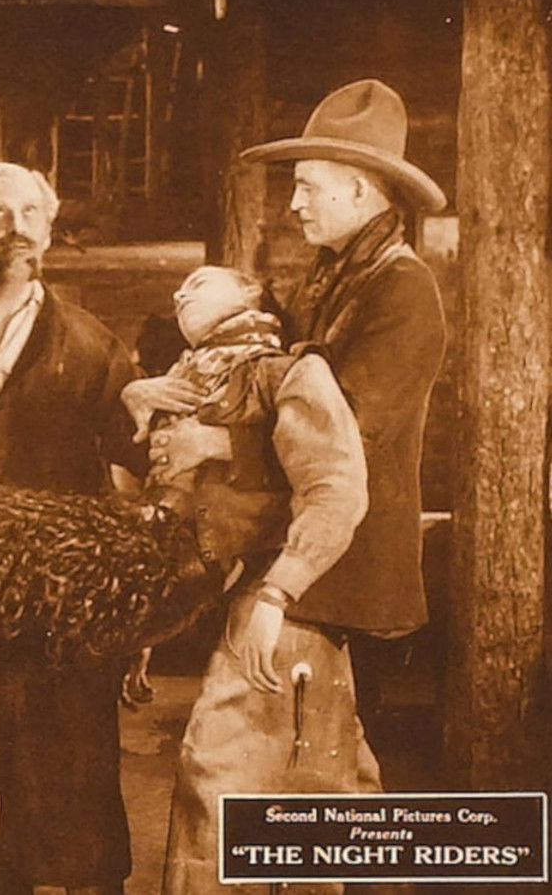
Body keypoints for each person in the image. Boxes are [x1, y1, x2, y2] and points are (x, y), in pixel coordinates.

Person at [123, 78, 447, 893]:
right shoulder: (335, 277)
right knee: (328, 776)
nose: (294, 204)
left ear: (359, 190)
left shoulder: (402, 290)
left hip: (328, 568)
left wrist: (214, 441)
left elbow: (350, 438)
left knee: (222, 768)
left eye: (307, 186)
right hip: (305, 558)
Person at [122, 263, 370, 895]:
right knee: (322, 775)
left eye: (201, 283)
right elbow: (169, 516)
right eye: (178, 288)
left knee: (221, 773)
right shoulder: (187, 385)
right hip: (232, 595)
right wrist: (145, 626)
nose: (181, 292)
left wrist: (277, 594)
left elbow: (336, 489)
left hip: (280, 600)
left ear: (251, 294)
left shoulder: (289, 374)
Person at [0, 161, 147, 895]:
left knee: (74, 778)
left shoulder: (91, 346)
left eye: (32, 212)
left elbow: (136, 465)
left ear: (51, 229)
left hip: (61, 602)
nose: (18, 227)